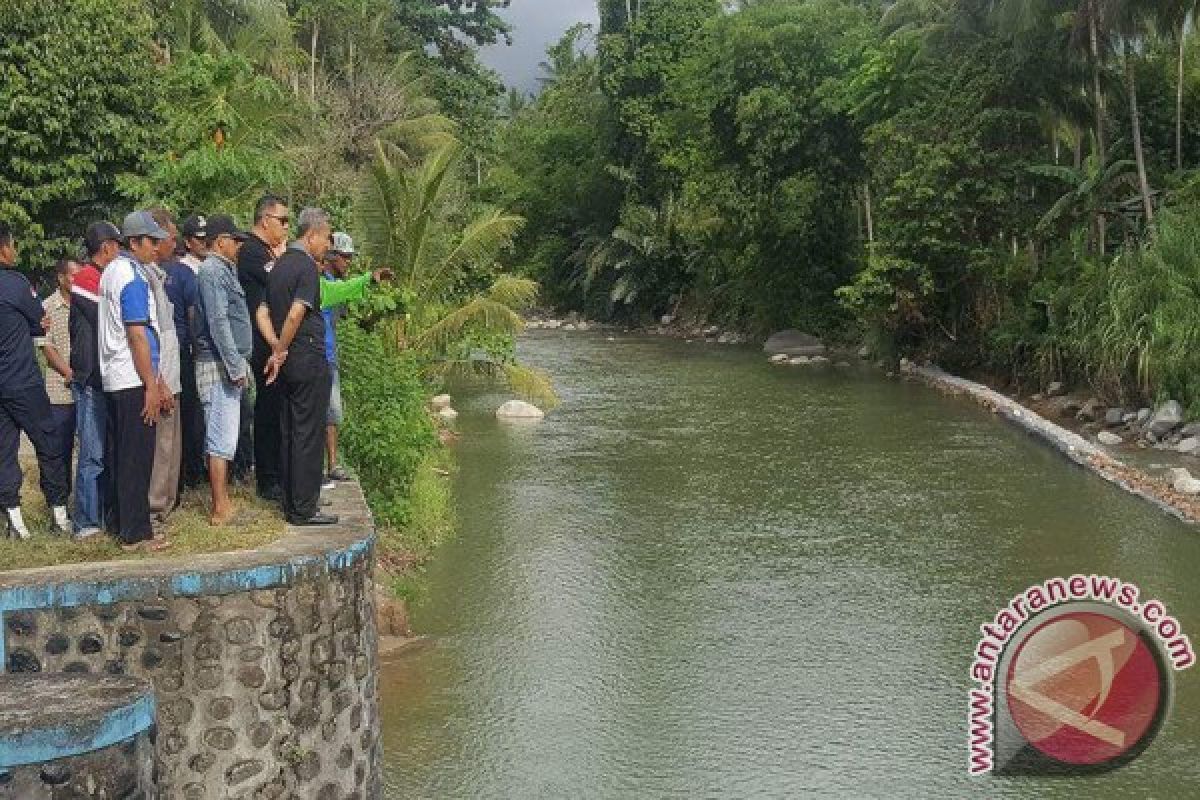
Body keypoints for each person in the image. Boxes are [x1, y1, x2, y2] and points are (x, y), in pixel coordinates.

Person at [257, 207, 337, 526]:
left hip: (289, 359)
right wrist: (282, 348)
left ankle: (292, 502)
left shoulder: (278, 266)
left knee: (290, 429)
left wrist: (276, 348)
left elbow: (262, 313)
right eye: (326, 238)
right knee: (307, 432)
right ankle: (304, 507)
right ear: (312, 234)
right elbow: (295, 314)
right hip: (305, 356)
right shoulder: (305, 267)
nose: (327, 245)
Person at [99, 211, 167, 551]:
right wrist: (151, 385)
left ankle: (120, 522)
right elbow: (138, 334)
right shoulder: (132, 276)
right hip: (132, 377)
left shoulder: (112, 271)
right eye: (151, 242)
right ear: (135, 242)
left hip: (117, 376)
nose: (156, 248)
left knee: (121, 454)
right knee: (136, 458)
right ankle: (136, 533)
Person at [0, 221, 71, 538]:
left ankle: (13, 519)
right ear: (4, 248)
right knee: (49, 443)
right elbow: (39, 322)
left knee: (4, 450)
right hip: (23, 380)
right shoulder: (14, 283)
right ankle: (58, 513)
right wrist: (32, 324)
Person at [319, 233, 392, 487]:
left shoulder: (335, 283)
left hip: (330, 355)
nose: (348, 263)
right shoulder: (321, 283)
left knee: (332, 413)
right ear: (331, 257)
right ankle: (316, 468)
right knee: (321, 412)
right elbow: (345, 291)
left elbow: (349, 315)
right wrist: (369, 279)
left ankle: (332, 465)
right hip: (318, 356)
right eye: (345, 258)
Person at [195, 216, 251, 526]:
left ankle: (224, 501)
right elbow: (218, 321)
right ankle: (219, 507)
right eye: (234, 240)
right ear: (220, 241)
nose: (238, 246)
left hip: (226, 365)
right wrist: (234, 365)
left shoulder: (222, 270)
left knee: (226, 437)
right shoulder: (212, 271)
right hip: (217, 366)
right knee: (219, 437)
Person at [70, 222, 122, 538]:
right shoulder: (86, 280)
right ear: (106, 248)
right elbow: (110, 316)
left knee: (105, 451)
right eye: (118, 245)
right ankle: (86, 522)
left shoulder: (100, 278)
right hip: (90, 380)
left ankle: (102, 515)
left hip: (105, 379)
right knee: (92, 453)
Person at [239, 194, 291, 502]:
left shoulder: (267, 252)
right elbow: (275, 282)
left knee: (277, 409)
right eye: (282, 221)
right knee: (268, 410)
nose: (286, 227)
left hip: (273, 339)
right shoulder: (252, 253)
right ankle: (267, 478)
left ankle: (277, 473)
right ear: (265, 220)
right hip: (262, 341)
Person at [146, 210, 183, 529]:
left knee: (173, 446)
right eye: (172, 239)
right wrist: (159, 382)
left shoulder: (160, 276)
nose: (176, 245)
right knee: (162, 446)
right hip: (162, 380)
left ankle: (166, 505)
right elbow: (147, 336)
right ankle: (154, 510)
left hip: (172, 377)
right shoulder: (144, 278)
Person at [166, 214, 206, 489]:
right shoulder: (183, 272)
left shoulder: (153, 271)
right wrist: (198, 345)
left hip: (168, 350)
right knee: (187, 415)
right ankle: (186, 473)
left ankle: (181, 475)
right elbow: (193, 314)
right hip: (180, 350)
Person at [38, 258, 80, 519]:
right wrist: (67, 372)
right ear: (61, 278)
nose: (77, 280)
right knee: (59, 449)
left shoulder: (85, 303)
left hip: (85, 387)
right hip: (59, 389)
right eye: (73, 275)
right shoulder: (48, 307)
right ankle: (58, 504)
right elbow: (45, 345)